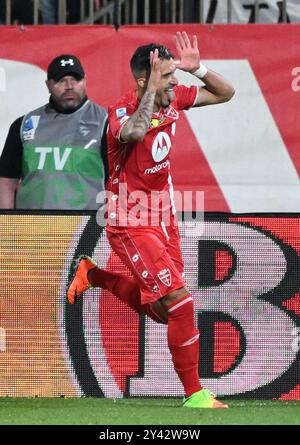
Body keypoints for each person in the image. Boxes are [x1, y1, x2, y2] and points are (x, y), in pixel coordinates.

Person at [67, 31, 234, 407]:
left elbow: (226, 93)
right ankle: (195, 395)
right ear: (145, 80)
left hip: (164, 217)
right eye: (167, 75)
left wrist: (198, 69)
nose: (176, 82)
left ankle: (93, 275)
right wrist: (150, 92)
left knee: (166, 313)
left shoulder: (174, 97)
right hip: (129, 219)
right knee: (181, 302)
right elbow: (136, 131)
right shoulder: (123, 110)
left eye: (176, 75)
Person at [0, 54, 108, 209]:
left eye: (76, 79)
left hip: (87, 228)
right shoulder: (24, 124)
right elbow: (6, 180)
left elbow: (119, 182)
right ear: (48, 85)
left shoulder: (105, 122)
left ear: (85, 81)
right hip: (31, 227)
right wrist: (6, 226)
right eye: (61, 80)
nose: (69, 86)